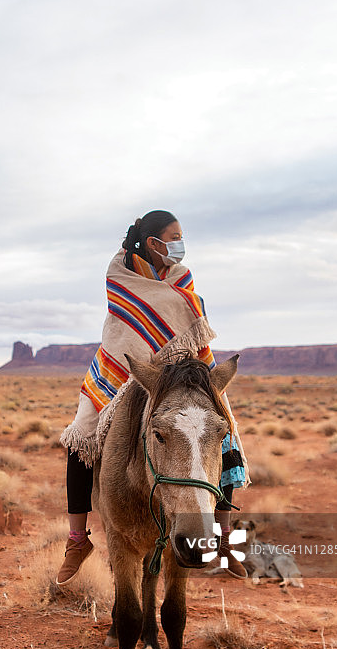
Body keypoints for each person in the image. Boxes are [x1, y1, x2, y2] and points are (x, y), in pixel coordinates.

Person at [56, 210, 249, 585]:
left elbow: (195, 334)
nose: (180, 244)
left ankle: (222, 534)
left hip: (185, 374)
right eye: (173, 237)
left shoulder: (183, 278)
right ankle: (77, 539)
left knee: (224, 432)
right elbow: (123, 335)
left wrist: (195, 375)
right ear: (152, 243)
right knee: (80, 437)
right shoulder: (120, 278)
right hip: (122, 373)